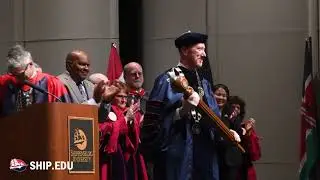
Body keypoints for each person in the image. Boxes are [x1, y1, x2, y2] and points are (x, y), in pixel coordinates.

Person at [148, 31, 240, 180]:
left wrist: (226, 131)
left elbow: (213, 115)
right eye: (199, 49)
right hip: (179, 152)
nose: (204, 54)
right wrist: (182, 110)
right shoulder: (166, 80)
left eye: (204, 50)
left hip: (205, 153)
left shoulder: (204, 83)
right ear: (184, 50)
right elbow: (153, 123)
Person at [0, 44, 70, 117]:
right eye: (14, 75)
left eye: (21, 74)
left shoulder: (52, 83)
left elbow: (66, 112)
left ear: (30, 64)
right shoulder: (6, 82)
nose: (17, 78)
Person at [99, 81, 148, 180]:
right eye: (120, 96)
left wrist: (135, 123)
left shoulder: (129, 111)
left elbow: (135, 138)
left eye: (126, 97)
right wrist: (125, 119)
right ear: (112, 97)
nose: (124, 100)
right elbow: (105, 129)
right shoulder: (106, 111)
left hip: (129, 156)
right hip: (112, 156)